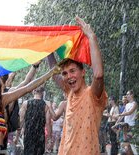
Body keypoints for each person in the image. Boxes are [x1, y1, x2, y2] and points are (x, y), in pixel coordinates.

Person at [47, 16, 108, 155]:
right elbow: (53, 70)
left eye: (72, 71)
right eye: (65, 73)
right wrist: (48, 49)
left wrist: (91, 37)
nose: (69, 76)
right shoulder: (69, 93)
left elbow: (98, 74)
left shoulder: (93, 95)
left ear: (83, 72)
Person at [19, 86, 51, 155]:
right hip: (40, 135)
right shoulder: (46, 105)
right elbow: (48, 123)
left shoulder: (25, 103)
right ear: (42, 93)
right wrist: (49, 139)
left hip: (28, 134)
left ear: (33, 91)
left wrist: (17, 135)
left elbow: (21, 121)